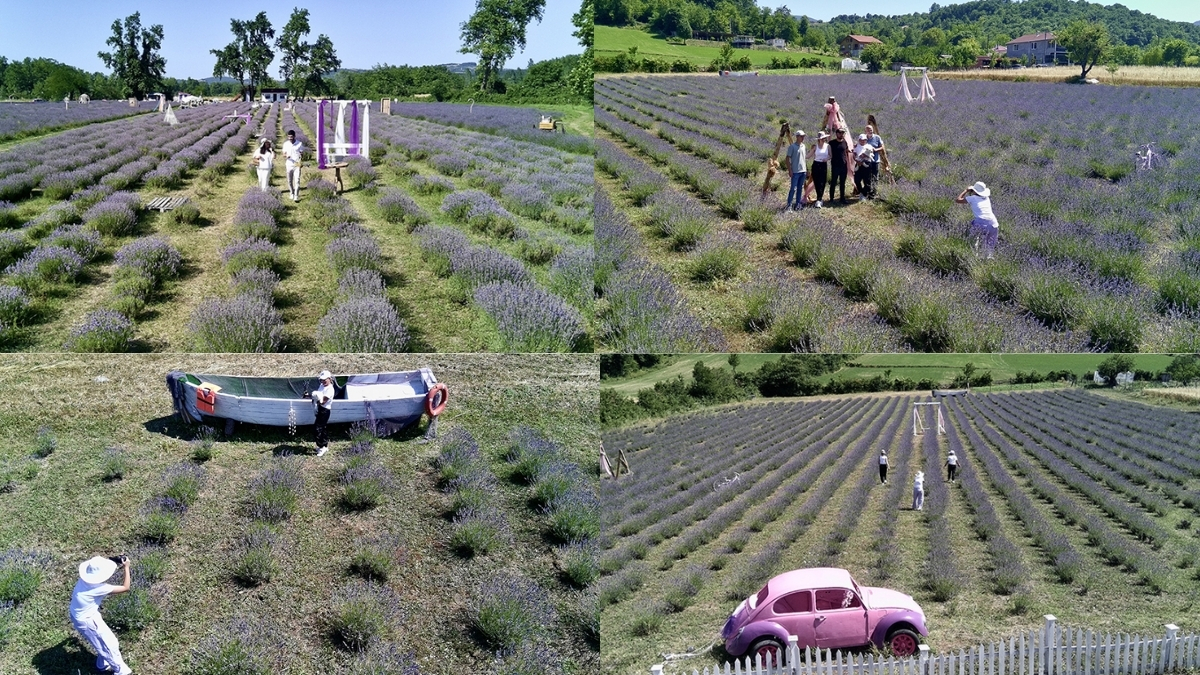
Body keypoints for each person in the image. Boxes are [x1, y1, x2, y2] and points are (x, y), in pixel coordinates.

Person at [70, 555, 133, 675]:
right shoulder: (98, 588)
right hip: (87, 620)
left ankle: (102, 665)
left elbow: (101, 567)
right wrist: (126, 567)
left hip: (81, 614)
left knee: (103, 642)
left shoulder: (83, 581)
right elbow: (126, 587)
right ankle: (121, 671)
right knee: (110, 645)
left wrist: (116, 560)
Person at [956, 181, 1000, 259]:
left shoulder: (972, 198)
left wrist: (966, 190)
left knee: (972, 241)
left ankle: (973, 258)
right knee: (989, 246)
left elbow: (958, 200)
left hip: (981, 222)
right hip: (994, 223)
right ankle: (988, 260)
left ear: (975, 191)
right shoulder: (987, 198)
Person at [312, 370, 334, 456]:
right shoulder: (322, 385)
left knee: (317, 429)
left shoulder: (330, 389)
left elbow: (322, 402)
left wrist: (315, 396)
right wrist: (308, 396)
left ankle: (321, 447)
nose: (323, 381)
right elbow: (318, 396)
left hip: (325, 411)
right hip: (320, 409)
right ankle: (324, 446)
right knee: (323, 428)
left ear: (329, 379)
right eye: (321, 380)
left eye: (325, 380)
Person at [784, 130, 807, 211]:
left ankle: (797, 204)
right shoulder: (792, 147)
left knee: (800, 188)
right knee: (793, 189)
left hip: (803, 171)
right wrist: (790, 170)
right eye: (801, 136)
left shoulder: (803, 146)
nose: (803, 138)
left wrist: (806, 169)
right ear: (797, 137)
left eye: (803, 136)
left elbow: (803, 158)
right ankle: (789, 205)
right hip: (795, 172)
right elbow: (787, 159)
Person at [809, 131, 831, 208]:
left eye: (824, 138)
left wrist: (826, 159)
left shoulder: (827, 146)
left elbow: (830, 155)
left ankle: (819, 199)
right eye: (822, 138)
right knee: (816, 182)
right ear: (819, 139)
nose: (824, 139)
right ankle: (819, 198)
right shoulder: (815, 146)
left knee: (822, 182)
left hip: (823, 165)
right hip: (816, 165)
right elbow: (809, 155)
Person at [828, 128, 851, 204]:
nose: (841, 134)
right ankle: (831, 198)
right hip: (835, 166)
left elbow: (846, 151)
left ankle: (842, 198)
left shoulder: (845, 142)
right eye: (840, 133)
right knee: (833, 182)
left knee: (842, 183)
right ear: (836, 133)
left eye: (842, 133)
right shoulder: (831, 143)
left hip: (843, 166)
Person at [281, 129, 304, 202]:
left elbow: (302, 154)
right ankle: (292, 193)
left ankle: (296, 196)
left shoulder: (299, 143)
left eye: (291, 137)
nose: (290, 138)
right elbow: (283, 154)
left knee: (297, 180)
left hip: (297, 164)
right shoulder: (286, 144)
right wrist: (286, 156)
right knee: (289, 180)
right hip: (289, 164)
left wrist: (301, 159)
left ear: (294, 136)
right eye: (289, 137)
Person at [853, 134, 877, 200]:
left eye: (864, 140)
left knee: (867, 181)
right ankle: (862, 192)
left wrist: (864, 156)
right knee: (857, 180)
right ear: (859, 140)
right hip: (858, 164)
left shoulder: (869, 146)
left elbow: (870, 153)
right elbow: (854, 155)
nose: (863, 141)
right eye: (861, 140)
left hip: (867, 164)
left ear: (866, 140)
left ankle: (864, 194)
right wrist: (857, 160)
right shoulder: (856, 146)